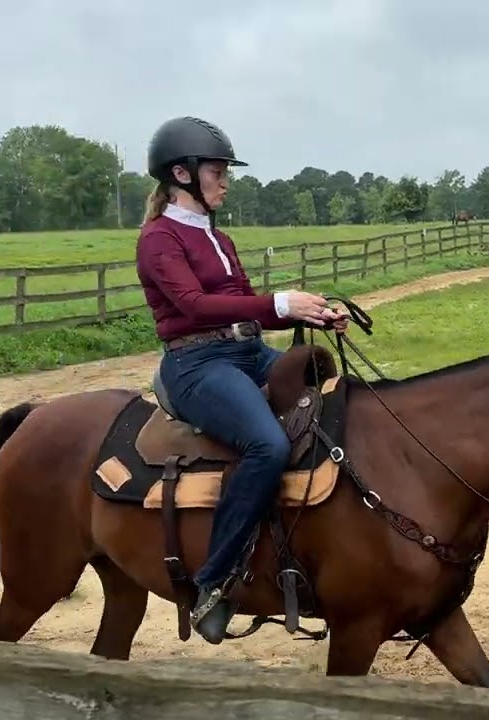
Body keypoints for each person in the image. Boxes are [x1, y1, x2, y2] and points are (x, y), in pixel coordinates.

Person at [135, 116, 348, 644]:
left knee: (331, 399)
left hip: (246, 351)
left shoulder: (219, 237)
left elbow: (243, 308)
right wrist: (280, 301)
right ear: (181, 174)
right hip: (196, 365)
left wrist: (312, 314)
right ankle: (215, 578)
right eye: (217, 170)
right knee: (267, 444)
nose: (226, 180)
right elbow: (193, 304)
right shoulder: (159, 239)